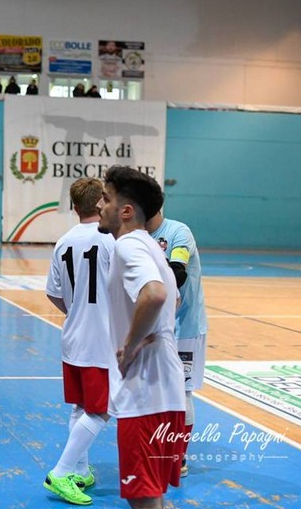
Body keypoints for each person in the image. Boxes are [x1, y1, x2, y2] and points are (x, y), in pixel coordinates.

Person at [96, 166, 185, 509]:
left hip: (146, 396)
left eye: (106, 199)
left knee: (144, 500)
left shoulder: (128, 246)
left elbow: (156, 295)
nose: (100, 206)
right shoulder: (152, 247)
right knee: (155, 497)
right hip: (168, 392)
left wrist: (130, 347)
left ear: (126, 210)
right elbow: (173, 298)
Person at [42, 178, 115, 506]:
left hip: (72, 335)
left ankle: (80, 471)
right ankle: (61, 472)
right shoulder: (111, 240)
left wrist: (76, 309)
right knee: (101, 411)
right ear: (101, 202)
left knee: (81, 406)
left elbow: (53, 293)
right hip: (101, 339)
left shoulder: (63, 241)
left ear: (74, 206)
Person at [146, 211, 208, 478]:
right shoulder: (138, 237)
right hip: (155, 326)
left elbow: (178, 271)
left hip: (185, 328)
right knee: (155, 391)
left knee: (182, 391)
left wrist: (168, 293)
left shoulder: (178, 233)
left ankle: (178, 456)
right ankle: (162, 446)